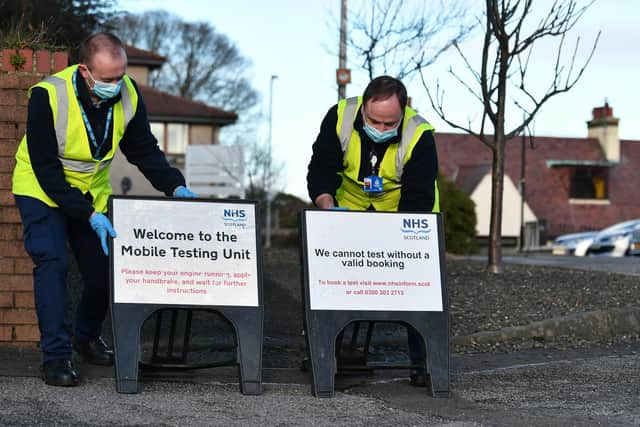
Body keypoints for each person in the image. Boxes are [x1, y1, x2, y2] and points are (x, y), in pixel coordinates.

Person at [12, 32, 197, 387]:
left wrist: (174, 185)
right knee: (53, 263)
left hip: (91, 193)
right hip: (41, 189)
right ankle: (55, 356)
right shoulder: (47, 95)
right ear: (85, 71)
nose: (118, 84)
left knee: (103, 271)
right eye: (109, 78)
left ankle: (85, 337)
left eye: (122, 75)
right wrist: (88, 214)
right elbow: (46, 169)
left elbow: (143, 148)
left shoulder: (128, 94)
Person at [306, 76, 439, 387]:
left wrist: (395, 241)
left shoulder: (420, 133)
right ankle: (326, 354)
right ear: (363, 106)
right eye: (373, 121)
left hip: (405, 211)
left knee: (418, 291)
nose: (380, 129)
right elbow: (321, 167)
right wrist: (327, 205)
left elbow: (418, 195)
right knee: (333, 280)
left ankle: (424, 364)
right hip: (347, 206)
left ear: (403, 111)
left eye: (388, 123)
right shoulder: (339, 116)